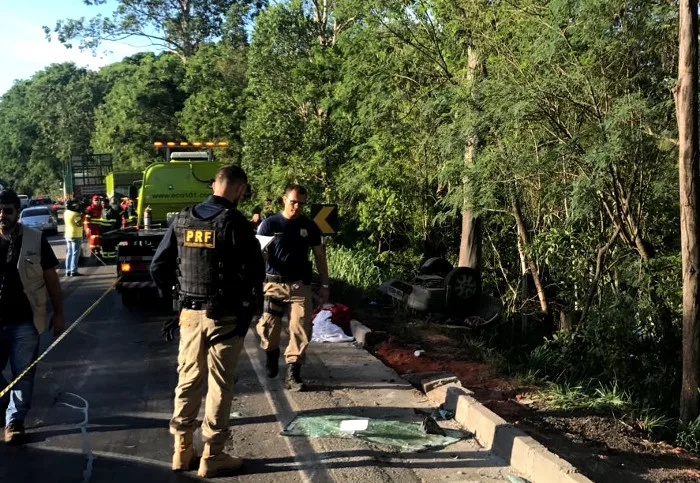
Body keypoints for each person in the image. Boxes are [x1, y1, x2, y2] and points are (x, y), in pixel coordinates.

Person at [151, 165, 264, 478]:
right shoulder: (235, 222)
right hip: (225, 318)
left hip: (190, 314)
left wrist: (175, 300)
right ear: (240, 189)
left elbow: (158, 266)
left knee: (187, 381)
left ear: (214, 184)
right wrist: (250, 309)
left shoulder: (182, 219)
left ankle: (182, 450)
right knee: (219, 386)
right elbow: (255, 273)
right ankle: (212, 456)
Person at [0, 189, 65, 444]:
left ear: (17, 212)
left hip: (25, 322)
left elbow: (51, 279)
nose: (2, 216)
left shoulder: (35, 239)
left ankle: (14, 423)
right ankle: (7, 402)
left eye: (7, 211)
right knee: (12, 379)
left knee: (23, 374)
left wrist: (58, 313)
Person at [255, 184, 330, 392]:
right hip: (273, 284)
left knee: (301, 328)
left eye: (301, 203)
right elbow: (258, 256)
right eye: (293, 202)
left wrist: (324, 284)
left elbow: (320, 256)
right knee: (269, 329)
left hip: (299, 286)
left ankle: (293, 374)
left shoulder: (310, 226)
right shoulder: (269, 225)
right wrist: (254, 283)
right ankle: (271, 352)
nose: (297, 207)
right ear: (284, 200)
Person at [63, 200, 84, 277]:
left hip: (68, 234)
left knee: (69, 253)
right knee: (75, 254)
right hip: (76, 235)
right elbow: (79, 224)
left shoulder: (66, 212)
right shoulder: (76, 214)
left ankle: (68, 270)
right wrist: (83, 217)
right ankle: (73, 271)